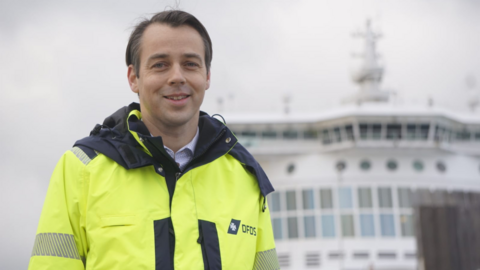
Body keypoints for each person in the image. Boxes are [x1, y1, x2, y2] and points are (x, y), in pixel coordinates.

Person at [28, 10, 279, 270]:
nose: (177, 77)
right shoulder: (80, 169)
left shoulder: (246, 178)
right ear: (134, 78)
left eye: (190, 64)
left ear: (207, 76)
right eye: (160, 64)